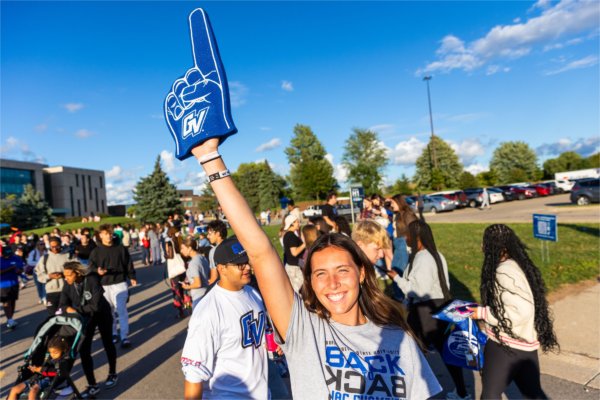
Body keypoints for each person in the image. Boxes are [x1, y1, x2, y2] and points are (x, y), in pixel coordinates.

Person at [190, 139, 441, 399]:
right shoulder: (304, 330)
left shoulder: (398, 339)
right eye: (320, 273)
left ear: (362, 273)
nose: (332, 282)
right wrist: (209, 157)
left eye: (342, 270)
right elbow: (260, 252)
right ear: (310, 281)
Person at [468, 224, 558, 399]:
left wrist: (482, 314)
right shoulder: (518, 264)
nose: (481, 246)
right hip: (526, 344)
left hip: (505, 345)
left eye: (484, 242)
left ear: (496, 247)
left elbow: (520, 310)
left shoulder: (504, 271)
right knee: (533, 393)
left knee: (490, 395)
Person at [385, 220, 469, 400]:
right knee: (445, 353)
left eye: (408, 235)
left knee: (408, 350)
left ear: (417, 238)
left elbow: (419, 290)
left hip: (425, 311)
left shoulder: (423, 258)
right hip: (440, 307)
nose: (406, 238)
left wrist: (396, 278)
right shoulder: (436, 254)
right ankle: (462, 392)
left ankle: (408, 391)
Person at [181, 236, 268, 399]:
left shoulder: (252, 293)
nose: (247, 267)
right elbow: (193, 375)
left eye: (247, 262)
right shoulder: (207, 312)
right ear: (221, 269)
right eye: (240, 264)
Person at [60, 261, 118, 398]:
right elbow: (63, 304)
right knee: (84, 350)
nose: (66, 278)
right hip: (85, 318)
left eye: (68, 275)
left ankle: (112, 373)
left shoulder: (92, 280)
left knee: (107, 343)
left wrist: (75, 310)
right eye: (64, 275)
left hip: (101, 314)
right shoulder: (68, 284)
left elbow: (95, 306)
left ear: (78, 273)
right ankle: (92, 384)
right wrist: (67, 309)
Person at [89, 224, 136, 348]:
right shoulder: (96, 251)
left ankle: (124, 336)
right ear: (100, 235)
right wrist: (97, 270)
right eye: (105, 233)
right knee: (108, 313)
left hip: (120, 283)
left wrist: (132, 276)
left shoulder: (120, 248)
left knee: (121, 310)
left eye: (110, 233)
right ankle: (114, 333)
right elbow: (91, 267)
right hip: (104, 285)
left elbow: (128, 264)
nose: (108, 236)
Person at [8, 336, 71, 400]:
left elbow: (55, 373)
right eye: (50, 352)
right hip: (36, 377)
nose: (52, 355)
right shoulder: (48, 356)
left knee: (32, 392)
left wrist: (41, 370)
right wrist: (34, 368)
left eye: (55, 353)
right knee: (14, 390)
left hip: (49, 379)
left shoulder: (63, 361)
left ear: (63, 350)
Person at [34, 236, 70, 315]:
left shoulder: (68, 256)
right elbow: (39, 276)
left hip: (67, 290)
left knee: (68, 315)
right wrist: (49, 276)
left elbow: (77, 271)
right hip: (51, 291)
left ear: (60, 244)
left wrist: (64, 274)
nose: (55, 248)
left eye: (57, 246)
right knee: (53, 316)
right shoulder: (44, 258)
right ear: (49, 246)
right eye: (52, 247)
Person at [387, 194, 418, 275]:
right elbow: (386, 207)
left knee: (399, 269)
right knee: (395, 267)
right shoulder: (397, 213)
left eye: (393, 203)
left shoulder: (407, 214)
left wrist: (410, 243)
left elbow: (415, 228)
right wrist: (388, 202)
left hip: (403, 243)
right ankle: (398, 285)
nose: (391, 205)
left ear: (399, 203)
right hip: (397, 243)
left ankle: (401, 286)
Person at [180, 237, 211, 309]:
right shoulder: (202, 257)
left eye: (183, 248)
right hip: (207, 294)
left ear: (190, 248)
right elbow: (208, 276)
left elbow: (198, 283)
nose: (181, 251)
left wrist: (187, 287)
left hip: (199, 297)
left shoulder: (193, 263)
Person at [1, 245, 23, 329]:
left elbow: (21, 269)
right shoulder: (0, 260)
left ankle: (10, 318)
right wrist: (10, 268)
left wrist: (19, 271)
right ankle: (9, 319)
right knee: (6, 302)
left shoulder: (16, 258)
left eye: (9, 253)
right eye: (5, 253)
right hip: (2, 285)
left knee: (13, 302)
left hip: (14, 283)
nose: (7, 255)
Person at [282, 214, 305, 292]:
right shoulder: (291, 236)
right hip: (294, 268)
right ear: (292, 223)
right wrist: (305, 244)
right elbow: (294, 253)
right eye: (297, 222)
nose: (299, 224)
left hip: (291, 265)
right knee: (299, 290)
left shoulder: (287, 235)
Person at [206, 219, 228, 285]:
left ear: (218, 234)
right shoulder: (232, 245)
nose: (207, 236)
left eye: (210, 234)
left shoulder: (214, 251)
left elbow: (214, 277)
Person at [27, 241, 47, 305]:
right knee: (38, 285)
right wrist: (40, 263)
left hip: (45, 271)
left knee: (44, 284)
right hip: (36, 271)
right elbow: (30, 262)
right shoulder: (33, 252)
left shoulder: (47, 251)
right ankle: (41, 297)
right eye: (40, 244)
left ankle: (45, 297)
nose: (42, 245)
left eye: (43, 244)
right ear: (37, 245)